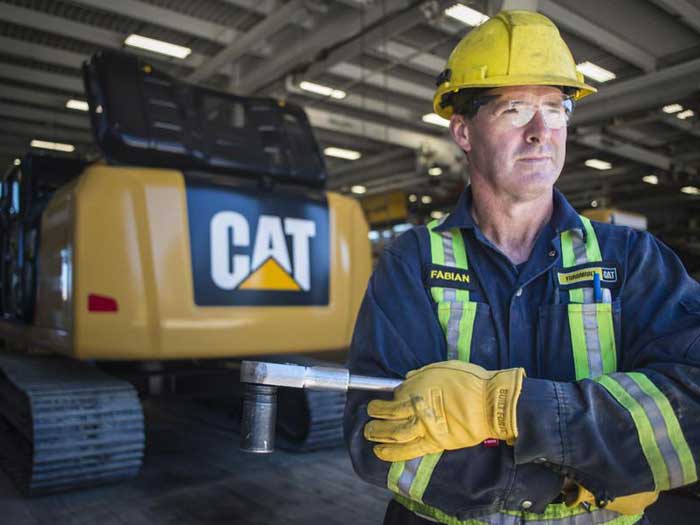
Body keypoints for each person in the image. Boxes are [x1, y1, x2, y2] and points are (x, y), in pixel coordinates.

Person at [343, 10, 700, 525]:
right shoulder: (414, 261)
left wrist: (507, 407)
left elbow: (691, 400)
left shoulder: (630, 260)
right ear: (463, 131)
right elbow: (374, 433)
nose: (541, 132)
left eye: (555, 109)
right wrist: (575, 483)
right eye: (514, 109)